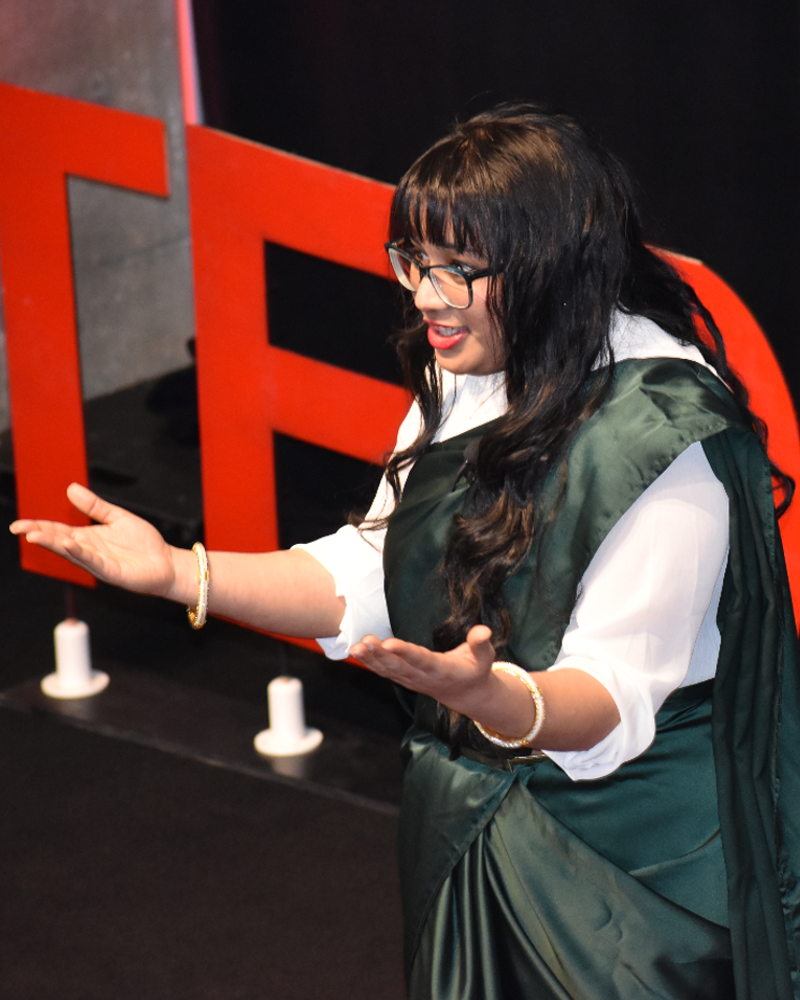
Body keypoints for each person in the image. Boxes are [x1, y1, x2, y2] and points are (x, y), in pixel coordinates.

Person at [10, 105, 800, 999]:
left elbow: (613, 701)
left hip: (627, 884)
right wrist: (180, 571)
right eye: (414, 262)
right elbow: (370, 572)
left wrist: (494, 698)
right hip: (474, 822)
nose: (425, 294)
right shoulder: (470, 365)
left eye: (458, 270)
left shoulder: (665, 438)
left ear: (552, 264)